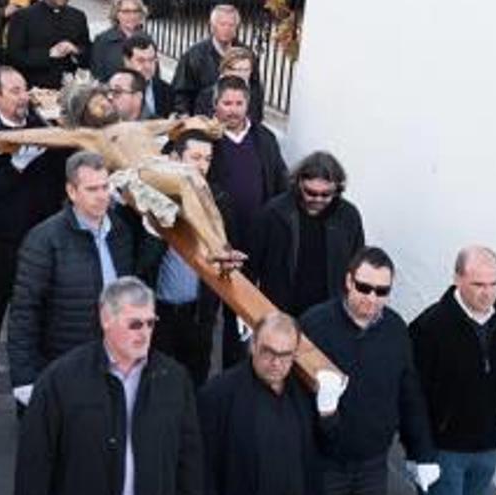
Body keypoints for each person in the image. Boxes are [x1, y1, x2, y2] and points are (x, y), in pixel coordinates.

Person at [14, 276, 203, 495]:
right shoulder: (60, 380)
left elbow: (189, 461)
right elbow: (34, 466)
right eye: (134, 324)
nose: (144, 334)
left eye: (150, 323)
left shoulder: (174, 380)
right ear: (106, 319)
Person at [300, 247, 441, 495]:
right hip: (324, 462)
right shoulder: (315, 324)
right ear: (348, 281)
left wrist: (422, 453)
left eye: (382, 291)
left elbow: (409, 395)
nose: (372, 298)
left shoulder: (396, 330)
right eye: (364, 287)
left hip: (373, 464)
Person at [0, 65, 68, 401]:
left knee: (36, 309)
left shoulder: (39, 126)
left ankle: (34, 371)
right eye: (14, 90)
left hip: (39, 235)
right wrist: (14, 168)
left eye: (24, 88)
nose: (23, 95)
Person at [6, 151, 136, 409]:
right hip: (63, 364)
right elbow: (24, 312)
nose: (102, 196)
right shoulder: (44, 240)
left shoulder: (120, 232)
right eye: (92, 189)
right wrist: (24, 379)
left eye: (105, 187)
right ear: (72, 191)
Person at [410, 246, 496, 495]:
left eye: (494, 284)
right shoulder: (430, 326)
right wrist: (419, 453)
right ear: (457, 279)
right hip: (444, 451)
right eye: (478, 284)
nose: (487, 293)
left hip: (488, 450)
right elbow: (412, 396)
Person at [137, 129, 230, 387]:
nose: (201, 165)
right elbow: (140, 264)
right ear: (176, 159)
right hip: (159, 315)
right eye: (195, 157)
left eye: (207, 159)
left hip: (198, 315)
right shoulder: (150, 197)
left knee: (194, 382)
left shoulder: (218, 200)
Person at [207, 75, 288, 368]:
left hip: (256, 239)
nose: (232, 109)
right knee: (210, 310)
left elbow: (279, 182)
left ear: (247, 105)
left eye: (238, 103)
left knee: (245, 309)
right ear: (215, 104)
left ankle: (237, 366)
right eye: (226, 103)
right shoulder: (206, 136)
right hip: (216, 241)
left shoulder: (264, 138)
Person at [198, 312, 327, 495]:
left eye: (285, 355)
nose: (276, 363)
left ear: (295, 353)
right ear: (253, 345)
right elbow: (205, 471)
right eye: (268, 352)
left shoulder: (305, 392)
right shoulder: (217, 395)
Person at [250, 151, 364, 317]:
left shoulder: (349, 216)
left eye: (326, 194)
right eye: (311, 192)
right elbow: (251, 265)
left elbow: (357, 265)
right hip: (281, 314)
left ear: (337, 189)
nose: (318, 199)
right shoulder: (273, 214)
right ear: (298, 183)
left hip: (329, 316)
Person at [171, 3, 250, 115]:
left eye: (231, 25)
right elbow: (181, 92)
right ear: (212, 26)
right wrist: (185, 117)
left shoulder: (246, 54)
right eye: (222, 24)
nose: (227, 29)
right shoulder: (194, 55)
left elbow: (256, 91)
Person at [5, 0, 90, 89]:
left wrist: (75, 50)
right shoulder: (22, 16)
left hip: (69, 90)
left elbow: (87, 53)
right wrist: (49, 54)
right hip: (34, 89)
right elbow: (14, 56)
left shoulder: (78, 16)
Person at [194, 46, 265, 123]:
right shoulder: (207, 95)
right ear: (224, 70)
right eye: (237, 70)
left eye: (246, 70)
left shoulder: (255, 91)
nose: (242, 74)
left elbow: (256, 120)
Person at [91, 0, 147, 81]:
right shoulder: (103, 41)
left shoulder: (146, 40)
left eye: (136, 11)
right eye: (126, 11)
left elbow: (153, 75)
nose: (132, 16)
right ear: (116, 14)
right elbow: (97, 76)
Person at [122, 33, 172, 118]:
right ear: (127, 61)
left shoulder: (167, 91)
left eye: (151, 60)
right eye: (141, 60)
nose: (147, 66)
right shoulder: (114, 91)